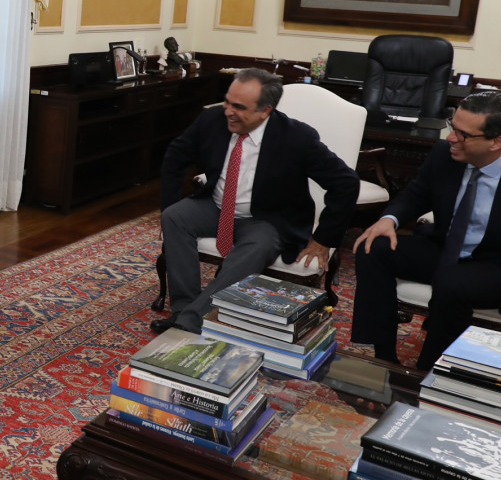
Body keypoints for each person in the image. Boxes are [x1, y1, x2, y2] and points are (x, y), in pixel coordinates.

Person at [351, 91, 501, 370]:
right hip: (447, 249)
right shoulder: (444, 154)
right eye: (452, 126)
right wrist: (390, 219)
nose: (450, 138)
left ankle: (428, 371)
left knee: (451, 282)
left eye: (463, 134)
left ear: (497, 142)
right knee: (373, 247)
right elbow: (417, 194)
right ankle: (383, 358)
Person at [153, 68, 358, 334]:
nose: (228, 111)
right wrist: (168, 204)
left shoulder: (297, 138)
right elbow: (175, 156)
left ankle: (192, 320)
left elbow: (346, 183)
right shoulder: (212, 119)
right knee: (174, 217)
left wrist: (324, 239)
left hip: (266, 219)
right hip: (215, 205)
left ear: (265, 111)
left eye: (239, 107)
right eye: (227, 102)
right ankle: (183, 308)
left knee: (257, 246)